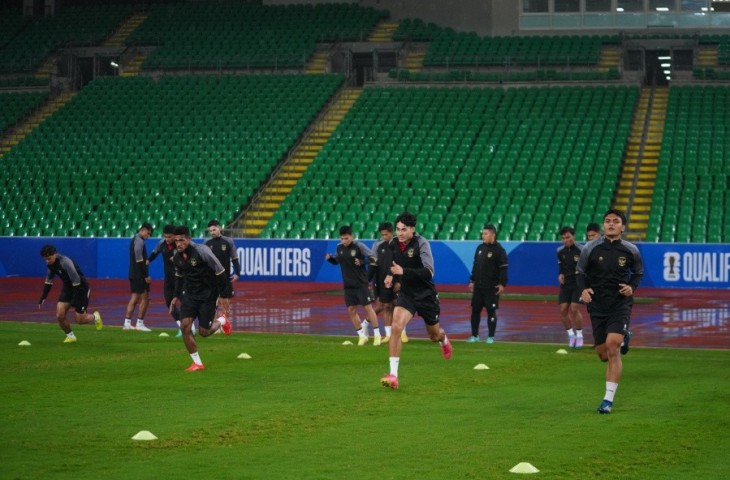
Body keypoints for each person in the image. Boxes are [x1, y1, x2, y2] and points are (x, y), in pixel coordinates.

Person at [576, 209, 643, 414]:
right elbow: (580, 272)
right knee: (603, 354)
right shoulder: (590, 248)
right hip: (597, 305)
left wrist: (632, 287)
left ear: (623, 227)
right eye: (607, 221)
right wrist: (584, 290)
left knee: (612, 347)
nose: (611, 224)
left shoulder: (631, 250)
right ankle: (625, 337)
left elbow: (638, 273)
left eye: (615, 221)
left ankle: (607, 400)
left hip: (620, 304)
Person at [380, 212, 452, 390]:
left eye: (404, 229)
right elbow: (393, 264)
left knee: (433, 335)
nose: (400, 233)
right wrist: (390, 275)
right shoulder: (393, 245)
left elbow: (429, 272)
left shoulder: (421, 244)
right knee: (396, 327)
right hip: (407, 295)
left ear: (413, 229)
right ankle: (393, 375)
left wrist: (403, 272)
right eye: (398, 229)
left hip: (426, 296)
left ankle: (443, 339)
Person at [170, 225, 233, 372]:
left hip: (208, 295)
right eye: (176, 241)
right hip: (190, 295)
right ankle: (197, 363)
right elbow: (179, 276)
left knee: (204, 332)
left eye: (182, 240)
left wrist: (223, 294)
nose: (178, 243)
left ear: (189, 239)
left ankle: (222, 320)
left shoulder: (201, 250)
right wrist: (175, 295)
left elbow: (220, 270)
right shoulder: (177, 257)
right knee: (185, 326)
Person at [325, 225, 381, 346]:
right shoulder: (339, 247)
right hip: (348, 285)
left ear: (352, 236)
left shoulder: (359, 246)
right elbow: (337, 261)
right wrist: (330, 259)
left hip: (361, 283)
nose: (344, 241)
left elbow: (374, 259)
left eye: (346, 238)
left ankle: (377, 335)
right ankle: (362, 336)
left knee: (368, 308)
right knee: (351, 310)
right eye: (342, 238)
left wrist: (362, 261)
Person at [38, 244, 102, 343]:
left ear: (54, 254)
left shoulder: (65, 262)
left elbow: (76, 280)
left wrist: (74, 299)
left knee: (80, 320)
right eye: (45, 259)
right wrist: (43, 297)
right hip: (68, 287)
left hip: (80, 287)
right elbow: (49, 280)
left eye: (49, 258)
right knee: (60, 315)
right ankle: (71, 336)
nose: (47, 261)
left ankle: (95, 316)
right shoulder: (50, 265)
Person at [148, 224, 194, 337]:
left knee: (184, 303)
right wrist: (148, 261)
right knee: (169, 302)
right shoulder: (161, 244)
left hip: (181, 278)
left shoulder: (181, 245)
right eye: (165, 237)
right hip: (169, 278)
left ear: (175, 236)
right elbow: (154, 253)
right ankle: (181, 326)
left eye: (169, 237)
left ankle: (190, 327)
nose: (167, 239)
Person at [467, 224, 508, 344]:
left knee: (491, 311)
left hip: (491, 287)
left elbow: (503, 268)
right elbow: (475, 266)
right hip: (478, 286)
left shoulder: (499, 250)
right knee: (475, 310)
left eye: (486, 234)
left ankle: (491, 337)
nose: (483, 236)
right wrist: (472, 280)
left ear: (493, 235)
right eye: (483, 233)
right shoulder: (480, 248)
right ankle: (474, 336)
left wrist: (502, 284)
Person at [369, 222, 407, 344]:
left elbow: (403, 265)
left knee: (399, 306)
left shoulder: (400, 246)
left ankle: (403, 332)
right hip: (383, 281)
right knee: (386, 307)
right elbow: (377, 266)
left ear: (392, 233)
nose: (384, 237)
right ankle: (388, 335)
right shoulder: (380, 247)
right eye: (382, 235)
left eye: (386, 234)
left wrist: (399, 282)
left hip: (397, 280)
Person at [557, 226, 585, 348]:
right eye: (563, 238)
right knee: (563, 309)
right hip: (566, 284)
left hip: (578, 283)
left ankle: (579, 335)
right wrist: (560, 274)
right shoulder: (560, 251)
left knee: (574, 308)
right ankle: (571, 335)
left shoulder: (582, 250)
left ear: (573, 236)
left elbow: (587, 268)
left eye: (568, 237)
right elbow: (561, 267)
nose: (565, 240)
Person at [124, 223, 153, 331]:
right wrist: (145, 276)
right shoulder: (139, 241)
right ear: (143, 230)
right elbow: (139, 258)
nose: (148, 236)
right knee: (145, 298)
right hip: (139, 275)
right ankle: (139, 323)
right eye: (148, 233)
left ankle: (127, 323)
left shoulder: (135, 240)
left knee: (135, 298)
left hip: (133, 274)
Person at [205, 220, 241, 284]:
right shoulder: (207, 243)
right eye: (210, 231)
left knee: (226, 294)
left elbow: (234, 258)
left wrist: (237, 273)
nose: (212, 232)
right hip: (211, 277)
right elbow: (204, 260)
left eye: (214, 230)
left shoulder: (228, 241)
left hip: (225, 276)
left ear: (220, 228)